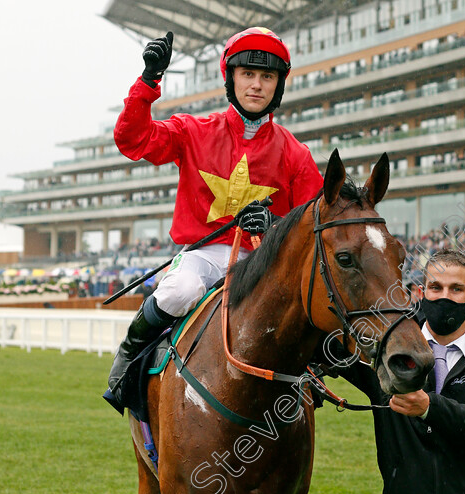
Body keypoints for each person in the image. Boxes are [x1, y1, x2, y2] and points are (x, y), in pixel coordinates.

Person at [103, 28, 324, 414]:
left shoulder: (296, 153)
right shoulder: (193, 131)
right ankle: (129, 356)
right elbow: (133, 140)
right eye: (248, 75)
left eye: (267, 77)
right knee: (177, 292)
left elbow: (312, 226)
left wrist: (274, 223)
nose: (257, 85)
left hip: (264, 262)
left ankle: (321, 372)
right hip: (204, 255)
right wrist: (148, 81)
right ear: (231, 78)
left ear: (279, 85)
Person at [332, 249, 465, 494]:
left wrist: (429, 407)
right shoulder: (386, 355)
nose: (444, 297)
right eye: (436, 287)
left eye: (456, 289)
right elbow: (324, 344)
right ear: (421, 292)